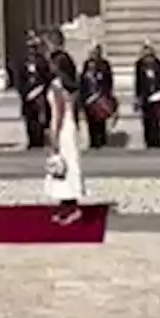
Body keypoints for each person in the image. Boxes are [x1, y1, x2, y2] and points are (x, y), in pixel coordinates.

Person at [44, 46, 87, 224]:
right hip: (71, 127)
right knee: (69, 165)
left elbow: (58, 112)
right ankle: (67, 203)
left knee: (64, 165)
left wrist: (53, 135)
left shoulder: (57, 85)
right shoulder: (71, 85)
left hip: (62, 127)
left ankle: (72, 206)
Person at [133, 44, 160, 148]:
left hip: (157, 95)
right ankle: (148, 141)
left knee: (156, 119)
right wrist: (137, 97)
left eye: (149, 53)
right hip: (145, 95)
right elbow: (138, 82)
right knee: (147, 120)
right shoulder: (139, 65)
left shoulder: (157, 64)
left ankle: (156, 141)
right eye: (145, 53)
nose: (147, 56)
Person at [78, 47, 116, 149]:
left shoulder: (104, 65)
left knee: (100, 119)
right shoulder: (86, 64)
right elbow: (82, 81)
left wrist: (107, 95)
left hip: (100, 96)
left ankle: (101, 140)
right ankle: (93, 141)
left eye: (95, 52)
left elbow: (109, 81)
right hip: (88, 97)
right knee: (90, 120)